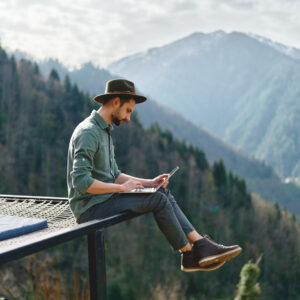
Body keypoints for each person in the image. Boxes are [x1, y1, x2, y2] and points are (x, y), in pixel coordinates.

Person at [67, 78, 242, 272]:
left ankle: (200, 244)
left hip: (104, 199)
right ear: (115, 102)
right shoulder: (89, 132)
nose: (128, 118)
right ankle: (188, 254)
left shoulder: (104, 131)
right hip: (89, 208)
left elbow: (114, 174)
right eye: (128, 111)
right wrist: (121, 188)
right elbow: (81, 182)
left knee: (162, 193)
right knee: (157, 200)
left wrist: (150, 182)